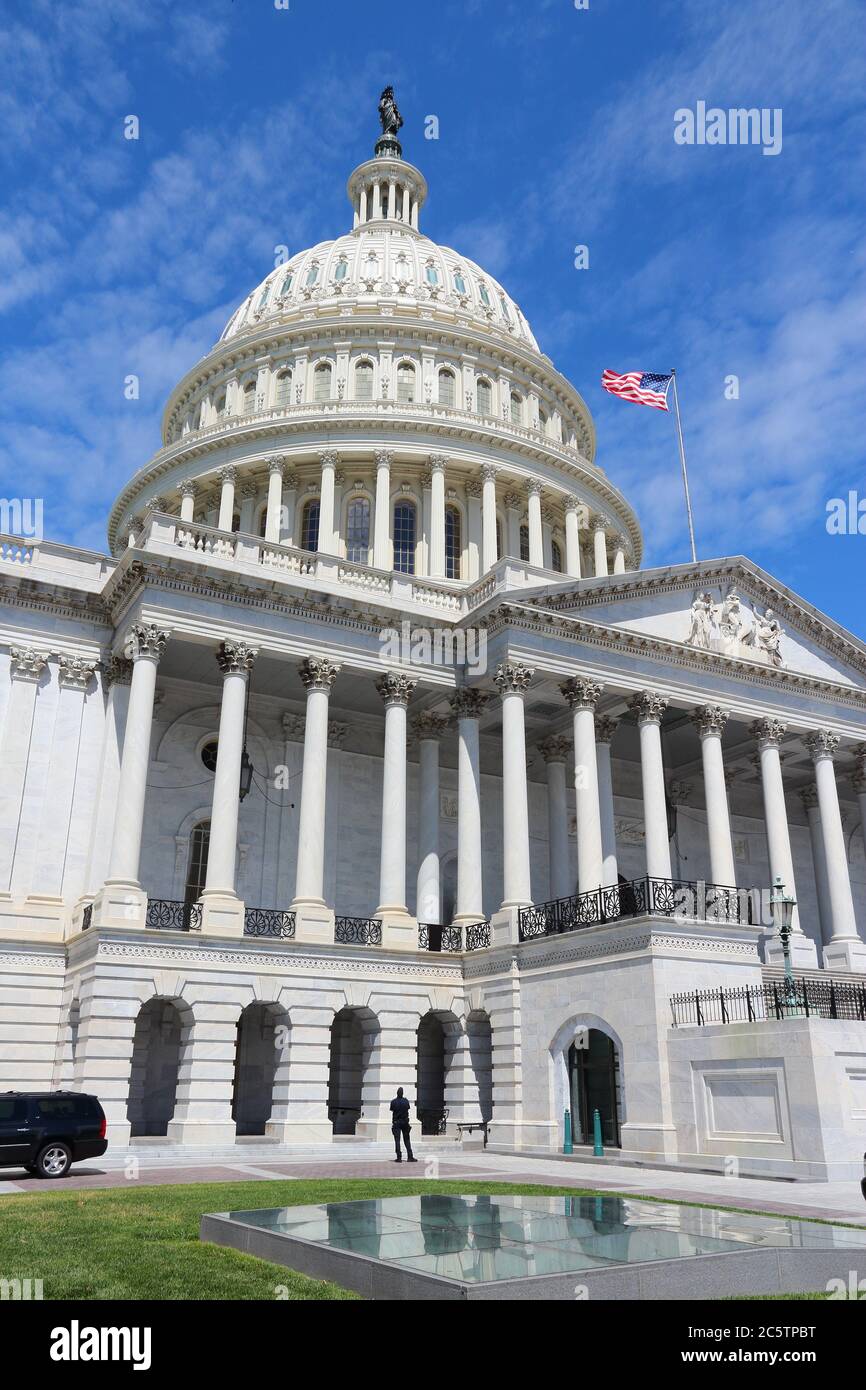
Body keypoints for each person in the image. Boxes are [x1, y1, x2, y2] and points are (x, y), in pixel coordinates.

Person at [390, 1087, 417, 1162]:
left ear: (397, 1093)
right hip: (405, 1122)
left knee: (397, 1140)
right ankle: (410, 1156)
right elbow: (407, 1109)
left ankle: (399, 1157)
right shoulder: (406, 1101)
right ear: (402, 1093)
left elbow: (392, 1110)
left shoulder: (393, 1102)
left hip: (397, 1122)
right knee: (407, 1140)